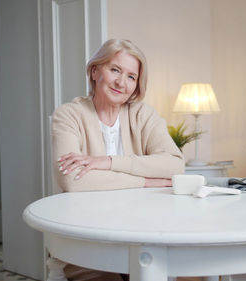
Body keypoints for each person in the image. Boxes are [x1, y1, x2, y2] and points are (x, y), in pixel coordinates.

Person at [51, 39, 185, 280]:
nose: (121, 83)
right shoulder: (69, 115)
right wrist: (145, 181)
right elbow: (73, 180)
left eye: (131, 77)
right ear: (94, 71)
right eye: (115, 70)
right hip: (87, 244)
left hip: (142, 238)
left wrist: (109, 162)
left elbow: (175, 164)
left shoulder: (143, 114)